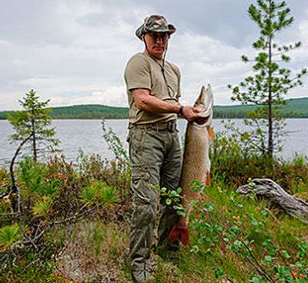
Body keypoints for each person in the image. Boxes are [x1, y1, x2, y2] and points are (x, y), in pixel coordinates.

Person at [124, 15, 200, 282]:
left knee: (173, 198)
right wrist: (181, 109)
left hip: (172, 137)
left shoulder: (174, 70)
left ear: (169, 38)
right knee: (146, 203)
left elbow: (171, 106)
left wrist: (190, 113)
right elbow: (143, 101)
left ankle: (168, 250)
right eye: (153, 35)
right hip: (146, 137)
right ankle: (139, 261)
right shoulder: (138, 63)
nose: (159, 40)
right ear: (143, 36)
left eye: (164, 35)